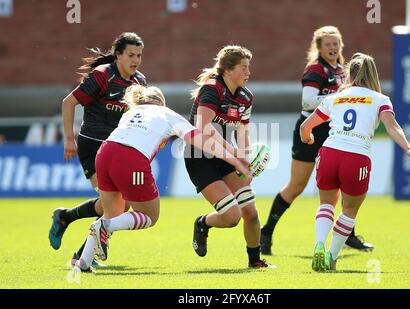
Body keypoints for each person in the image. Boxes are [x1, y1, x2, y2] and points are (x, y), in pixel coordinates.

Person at [73, 85, 252, 272]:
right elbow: (204, 142)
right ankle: (104, 226)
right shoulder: (167, 114)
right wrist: (236, 161)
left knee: (112, 212)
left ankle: (82, 264)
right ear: (161, 102)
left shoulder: (131, 112)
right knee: (149, 215)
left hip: (104, 153)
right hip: (130, 158)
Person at [300, 53, 410, 271]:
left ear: (349, 74)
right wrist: (409, 149)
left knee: (326, 203)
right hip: (356, 156)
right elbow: (392, 126)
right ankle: (331, 257)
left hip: (330, 152)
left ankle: (319, 243)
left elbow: (306, 127)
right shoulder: (379, 99)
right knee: (349, 209)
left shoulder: (334, 98)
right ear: (373, 75)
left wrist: (307, 138)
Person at [260, 26, 374, 255]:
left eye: (336, 43)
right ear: (319, 48)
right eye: (328, 44)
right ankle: (266, 232)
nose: (333, 48)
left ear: (341, 45)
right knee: (296, 186)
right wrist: (338, 98)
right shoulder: (316, 69)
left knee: (342, 185)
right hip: (309, 132)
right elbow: (307, 101)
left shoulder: (343, 70)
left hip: (335, 133)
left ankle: (348, 235)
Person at [48, 32, 146, 266]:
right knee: (116, 206)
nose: (136, 60)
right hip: (92, 145)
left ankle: (66, 217)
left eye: (139, 55)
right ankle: (82, 257)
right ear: (118, 55)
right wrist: (69, 139)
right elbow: (68, 102)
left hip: (118, 148)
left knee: (121, 205)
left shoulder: (139, 82)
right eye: (131, 55)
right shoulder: (102, 76)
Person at [184, 45, 275, 268]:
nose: (248, 72)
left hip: (225, 157)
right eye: (243, 68)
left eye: (248, 67)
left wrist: (247, 159)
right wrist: (236, 157)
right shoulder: (211, 89)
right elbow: (204, 128)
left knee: (251, 212)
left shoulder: (245, 97)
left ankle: (255, 262)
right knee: (232, 217)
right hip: (199, 156)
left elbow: (242, 132)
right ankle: (203, 223)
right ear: (227, 70)